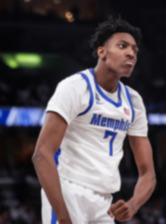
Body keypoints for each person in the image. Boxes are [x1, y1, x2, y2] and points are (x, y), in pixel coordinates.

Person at [32, 18, 156, 223]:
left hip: (104, 202)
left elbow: (148, 173)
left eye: (135, 49)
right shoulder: (74, 87)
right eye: (122, 46)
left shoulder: (134, 101)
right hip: (68, 190)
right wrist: (63, 217)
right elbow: (41, 154)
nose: (131, 53)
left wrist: (133, 205)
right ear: (102, 52)